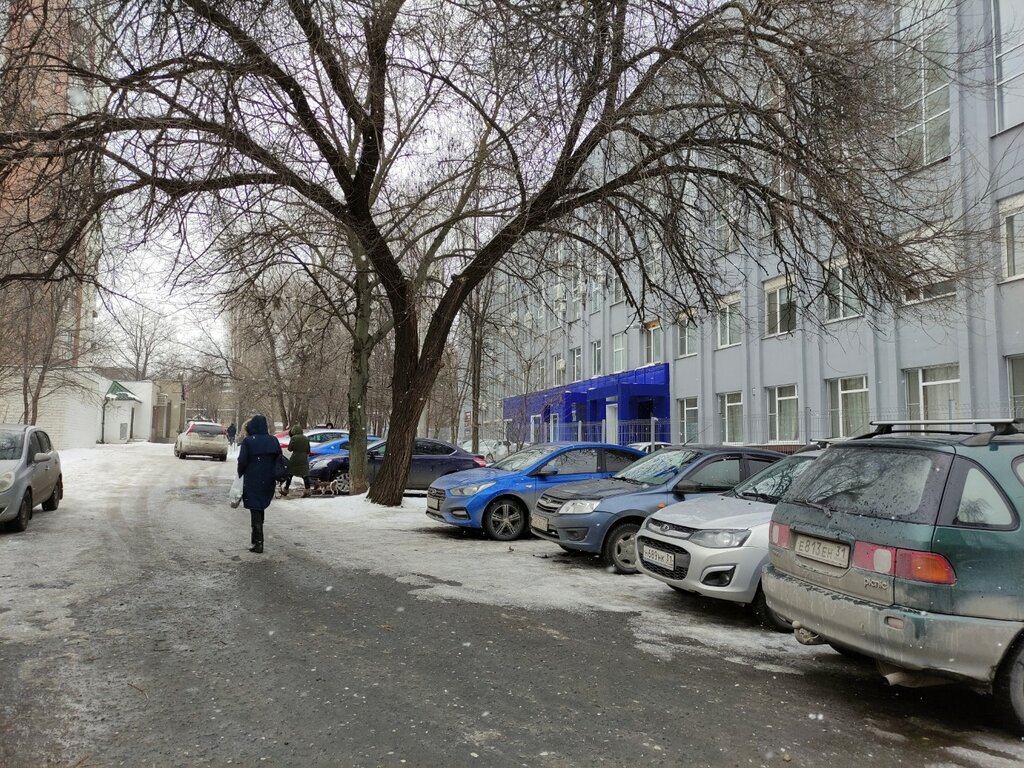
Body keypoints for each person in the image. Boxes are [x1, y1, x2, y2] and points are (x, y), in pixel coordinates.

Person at [236, 414, 282, 554]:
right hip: (268, 479)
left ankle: (258, 542)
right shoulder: (273, 440)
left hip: (252, 478)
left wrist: (240, 473)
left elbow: (242, 461)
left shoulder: (249, 441)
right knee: (260, 505)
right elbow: (279, 458)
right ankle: (256, 538)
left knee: (255, 507)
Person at [282, 424, 311, 498]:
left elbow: (290, 449)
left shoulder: (294, 438)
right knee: (305, 475)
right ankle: (307, 490)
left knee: (290, 474)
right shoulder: (306, 438)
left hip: (295, 458)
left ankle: (285, 489)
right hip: (304, 459)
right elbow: (308, 450)